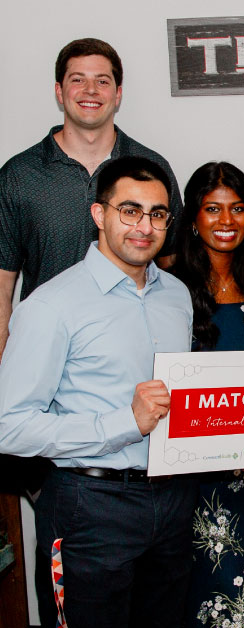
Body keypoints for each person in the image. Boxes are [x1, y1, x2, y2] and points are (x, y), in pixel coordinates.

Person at [0, 156, 193, 627]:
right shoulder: (51, 305)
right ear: (98, 214)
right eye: (130, 210)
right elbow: (8, 427)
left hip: (172, 502)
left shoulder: (177, 296)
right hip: (90, 506)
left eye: (158, 213)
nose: (144, 226)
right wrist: (125, 423)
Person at [0, 37, 182, 358]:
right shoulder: (19, 175)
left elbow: (172, 270)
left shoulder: (153, 169)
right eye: (77, 80)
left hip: (131, 355)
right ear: (59, 91)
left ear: (118, 94)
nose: (91, 91)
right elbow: (2, 287)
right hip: (43, 351)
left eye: (102, 81)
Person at [168, 161, 244, 628]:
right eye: (212, 209)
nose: (226, 221)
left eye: (238, 208)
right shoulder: (167, 290)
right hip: (188, 488)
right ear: (193, 218)